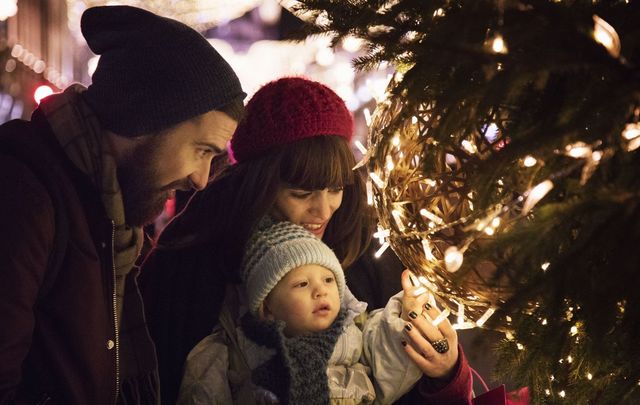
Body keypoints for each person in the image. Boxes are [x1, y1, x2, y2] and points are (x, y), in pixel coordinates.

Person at [139, 77, 472, 404]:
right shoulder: (194, 259)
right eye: (301, 193)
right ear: (258, 184)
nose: (323, 210)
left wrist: (446, 373)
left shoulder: (367, 247)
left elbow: (417, 380)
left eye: (336, 189)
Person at [0, 5, 245, 404]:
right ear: (145, 117)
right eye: (202, 150)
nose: (201, 180)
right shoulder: (25, 194)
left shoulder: (112, 213)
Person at [178, 219, 428, 404]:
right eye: (302, 284)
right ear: (267, 308)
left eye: (329, 280)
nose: (320, 291)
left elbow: (390, 366)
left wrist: (406, 313)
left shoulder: (358, 334)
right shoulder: (235, 351)